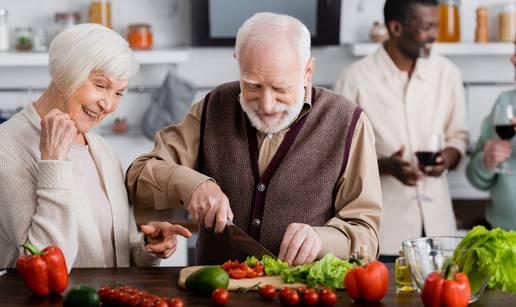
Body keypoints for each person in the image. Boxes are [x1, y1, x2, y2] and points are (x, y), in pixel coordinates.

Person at [126, 12, 383, 265]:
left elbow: (366, 234)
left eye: (280, 88)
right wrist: (193, 185)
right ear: (238, 62)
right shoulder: (213, 107)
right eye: (252, 86)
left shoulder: (348, 122)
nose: (267, 105)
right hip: (215, 294)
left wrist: (321, 239)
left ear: (308, 71)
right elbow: (139, 175)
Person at [0, 24, 191, 269]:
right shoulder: (7, 148)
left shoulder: (102, 149)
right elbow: (44, 266)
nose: (109, 105)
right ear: (61, 74)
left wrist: (146, 247)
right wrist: (54, 163)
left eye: (119, 93)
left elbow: (117, 250)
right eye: (100, 86)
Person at [335, 0, 468, 260]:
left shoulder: (447, 74)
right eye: (428, 27)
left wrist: (445, 159)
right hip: (382, 236)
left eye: (436, 26)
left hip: (440, 232)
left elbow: (458, 138)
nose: (435, 35)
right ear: (396, 28)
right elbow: (339, 157)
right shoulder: (354, 79)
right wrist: (386, 166)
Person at [466, 45, 516, 230]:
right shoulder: (505, 102)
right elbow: (474, 176)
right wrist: (486, 162)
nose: (512, 59)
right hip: (502, 235)